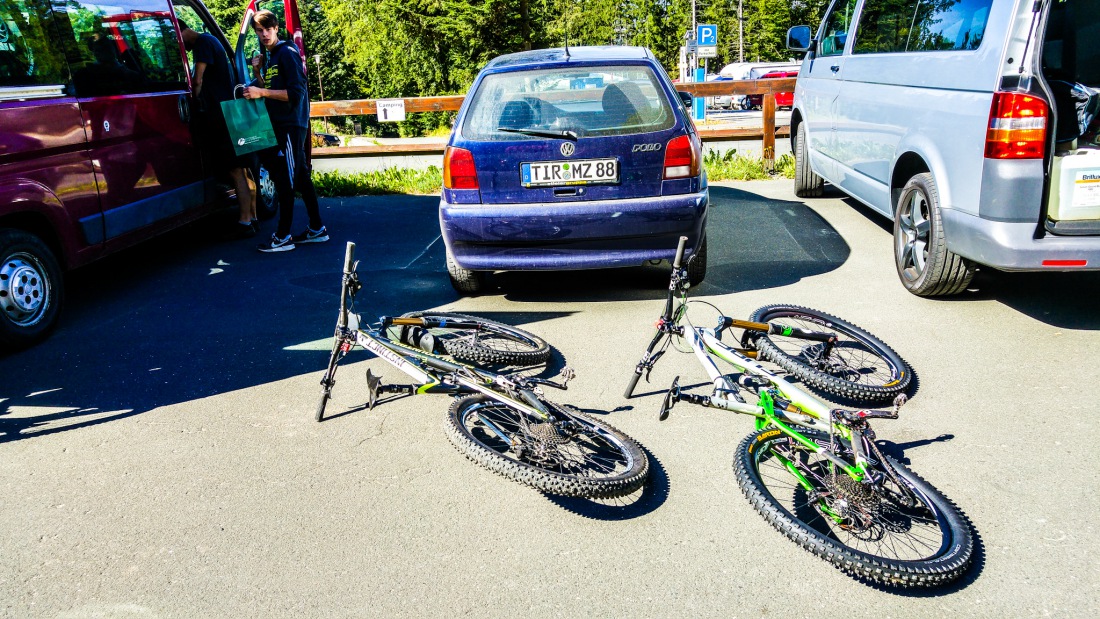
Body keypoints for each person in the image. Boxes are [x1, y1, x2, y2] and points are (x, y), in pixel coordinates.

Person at [242, 10, 328, 253]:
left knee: (285, 179)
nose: (264, 34)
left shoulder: (287, 53)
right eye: (259, 30)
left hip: (290, 125)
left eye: (268, 29)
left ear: (277, 28)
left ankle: (282, 236)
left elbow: (295, 93)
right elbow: (270, 88)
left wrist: (261, 92)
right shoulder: (272, 56)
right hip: (283, 124)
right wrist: (258, 75)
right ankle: (317, 229)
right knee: (300, 176)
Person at [180, 22, 257, 238]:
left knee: (235, 170)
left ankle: (245, 221)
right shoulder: (212, 41)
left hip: (220, 116)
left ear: (181, 30)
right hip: (230, 113)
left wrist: (193, 101)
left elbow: (198, 80)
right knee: (244, 169)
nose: (182, 46)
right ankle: (253, 215)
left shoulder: (202, 43)